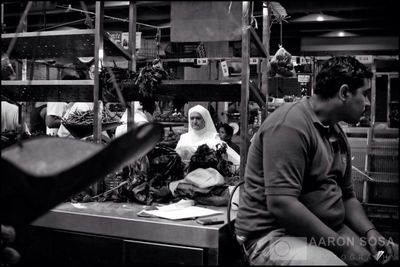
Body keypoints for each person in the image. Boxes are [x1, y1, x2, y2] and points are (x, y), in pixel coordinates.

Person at [235, 56, 399, 265]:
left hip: (328, 230)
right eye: (365, 94)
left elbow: (347, 197)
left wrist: (371, 232)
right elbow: (282, 205)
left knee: (387, 256)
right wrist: (344, 246)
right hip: (274, 237)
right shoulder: (290, 126)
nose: (367, 103)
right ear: (344, 93)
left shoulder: (335, 131)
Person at [175, 104, 240, 165]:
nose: (194, 121)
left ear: (204, 120)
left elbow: (234, 159)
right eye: (192, 118)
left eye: (198, 118)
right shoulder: (184, 138)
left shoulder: (213, 137)